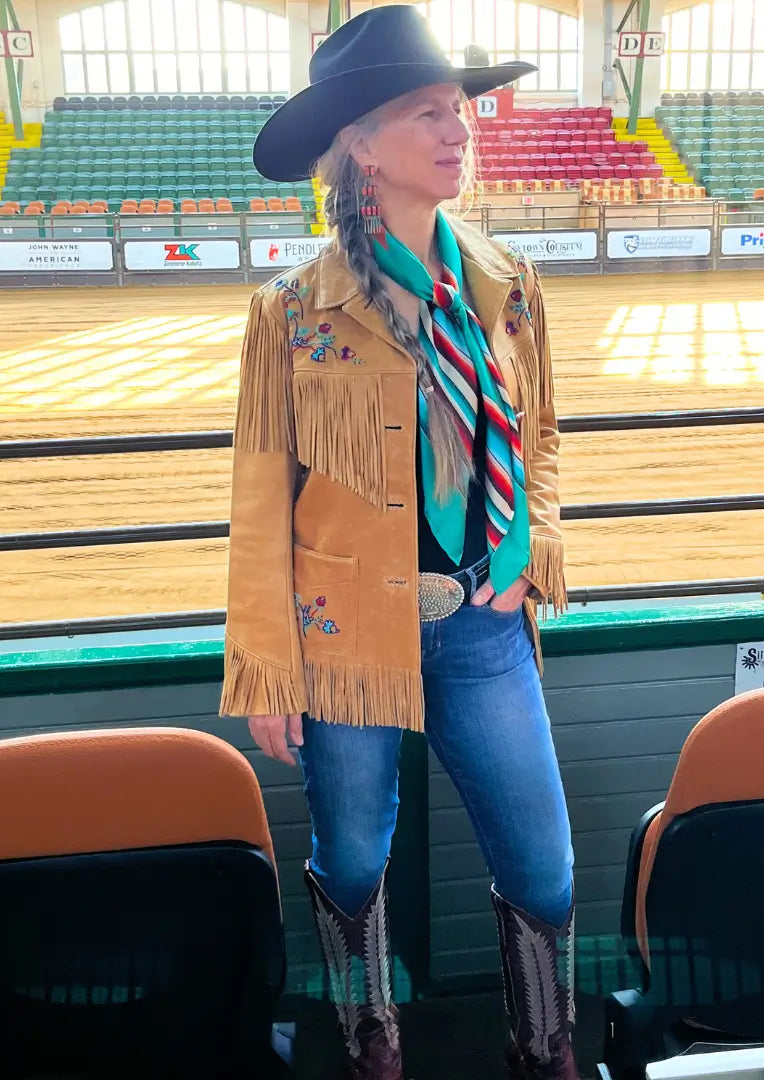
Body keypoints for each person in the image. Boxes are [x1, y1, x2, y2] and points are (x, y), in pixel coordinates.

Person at [220, 7, 576, 1077]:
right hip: (343, 633)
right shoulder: (289, 314)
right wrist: (266, 667)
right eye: (427, 112)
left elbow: (543, 434)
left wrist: (530, 547)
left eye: (460, 109)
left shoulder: (506, 287)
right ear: (361, 145)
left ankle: (545, 1040)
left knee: (546, 866)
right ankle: (372, 1037)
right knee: (357, 857)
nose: (458, 128)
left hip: (482, 622)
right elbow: (257, 503)